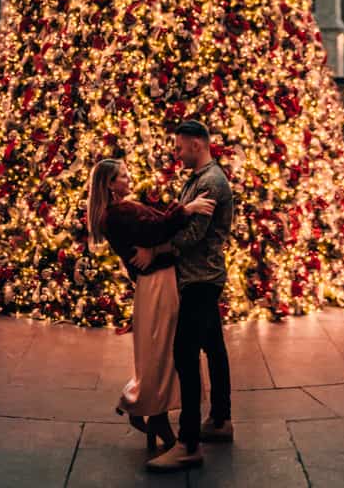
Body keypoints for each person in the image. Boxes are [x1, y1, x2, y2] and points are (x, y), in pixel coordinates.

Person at [87, 158, 216, 453]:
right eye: (122, 175)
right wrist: (189, 209)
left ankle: (151, 411)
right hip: (158, 283)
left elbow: (155, 227)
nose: (129, 177)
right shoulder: (119, 212)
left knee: (161, 349)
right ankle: (152, 413)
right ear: (109, 184)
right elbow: (158, 227)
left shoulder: (120, 210)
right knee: (165, 350)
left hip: (157, 283)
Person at [139, 119, 234, 473]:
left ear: (196, 144)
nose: (175, 153)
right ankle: (221, 420)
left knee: (185, 352)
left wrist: (157, 247)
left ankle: (189, 442)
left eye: (179, 147)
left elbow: (191, 236)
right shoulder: (200, 178)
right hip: (202, 276)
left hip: (200, 279)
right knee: (214, 346)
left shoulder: (209, 182)